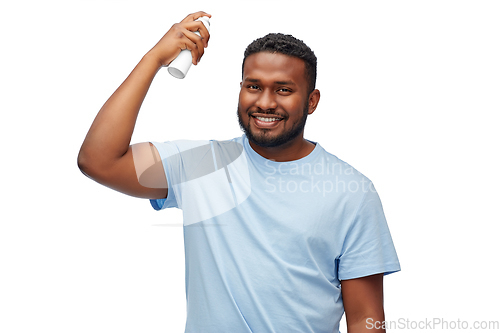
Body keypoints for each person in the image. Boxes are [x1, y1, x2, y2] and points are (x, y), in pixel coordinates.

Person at [78, 11, 400, 333]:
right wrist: (154, 59)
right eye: (254, 86)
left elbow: (365, 319)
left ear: (312, 101)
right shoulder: (200, 165)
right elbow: (98, 160)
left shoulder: (352, 191)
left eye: (284, 90)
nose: (265, 102)